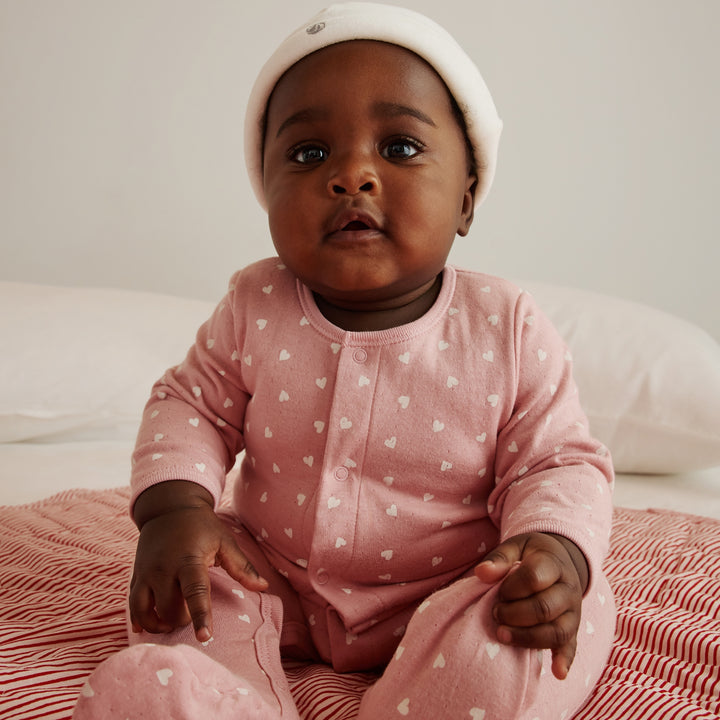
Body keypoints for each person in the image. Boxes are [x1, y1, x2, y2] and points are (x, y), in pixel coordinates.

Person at [74, 3, 616, 718]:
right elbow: (190, 406)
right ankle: (218, 700)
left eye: (400, 147)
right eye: (308, 154)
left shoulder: (504, 326)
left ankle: (450, 694)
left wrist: (555, 550)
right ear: (266, 192)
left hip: (453, 589)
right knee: (187, 582)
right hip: (278, 582)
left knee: (541, 619)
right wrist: (175, 510)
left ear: (466, 200)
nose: (352, 173)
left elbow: (557, 462)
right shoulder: (255, 304)